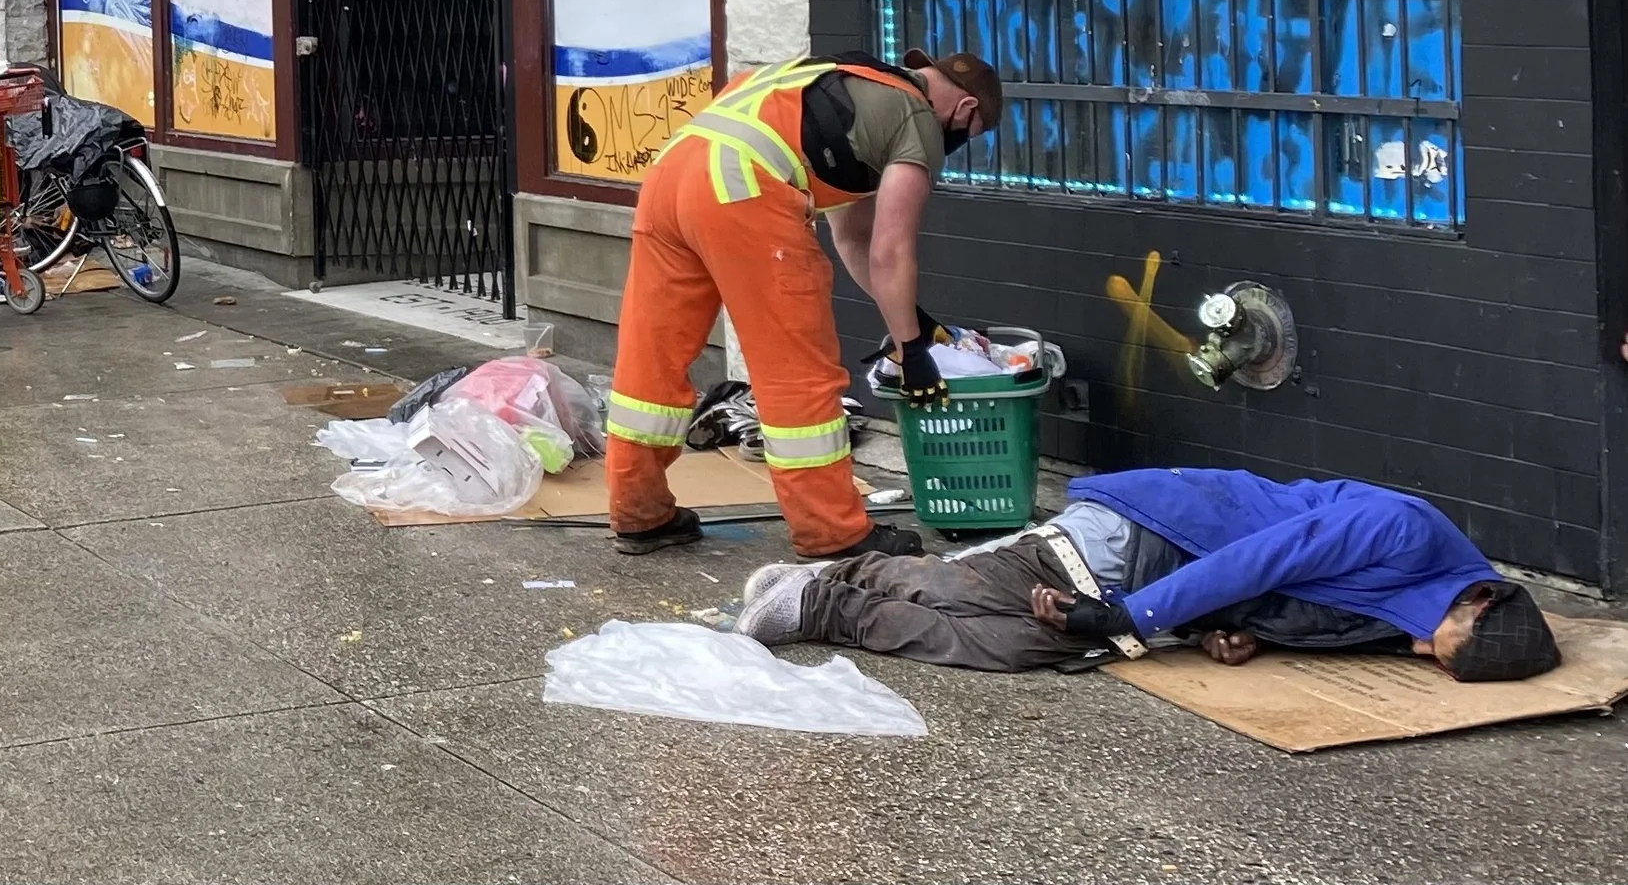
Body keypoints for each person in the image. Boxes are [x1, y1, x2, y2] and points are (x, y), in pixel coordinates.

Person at [606, 47, 1002, 559]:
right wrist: (912, 349)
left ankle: (640, 513)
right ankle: (832, 531)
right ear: (967, 110)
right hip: (743, 190)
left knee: (651, 361)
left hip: (670, 179)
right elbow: (891, 249)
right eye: (968, 136)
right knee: (795, 369)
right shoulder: (917, 120)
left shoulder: (846, 82)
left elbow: (856, 242)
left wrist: (914, 323)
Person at [738, 466, 1565, 684]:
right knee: (1019, 612)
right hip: (1147, 535)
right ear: (1481, 595)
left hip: (1168, 580)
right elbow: (1262, 556)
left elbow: (1289, 602)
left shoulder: (1422, 614)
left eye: (1436, 663)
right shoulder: (1405, 528)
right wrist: (1127, 615)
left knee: (1033, 648)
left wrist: (1232, 635)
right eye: (1441, 643)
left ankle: (831, 598)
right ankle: (827, 594)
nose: (1422, 652)